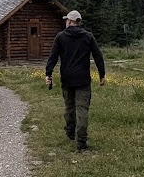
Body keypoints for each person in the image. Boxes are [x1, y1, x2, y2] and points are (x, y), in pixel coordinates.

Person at [45, 10, 106, 152]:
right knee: (82, 109)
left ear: (71, 21)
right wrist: (102, 75)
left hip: (67, 79)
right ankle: (81, 141)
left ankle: (70, 130)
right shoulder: (88, 37)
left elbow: (52, 57)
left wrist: (48, 74)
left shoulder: (60, 37)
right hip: (83, 79)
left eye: (66, 20)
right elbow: (98, 56)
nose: (65, 22)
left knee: (69, 107)